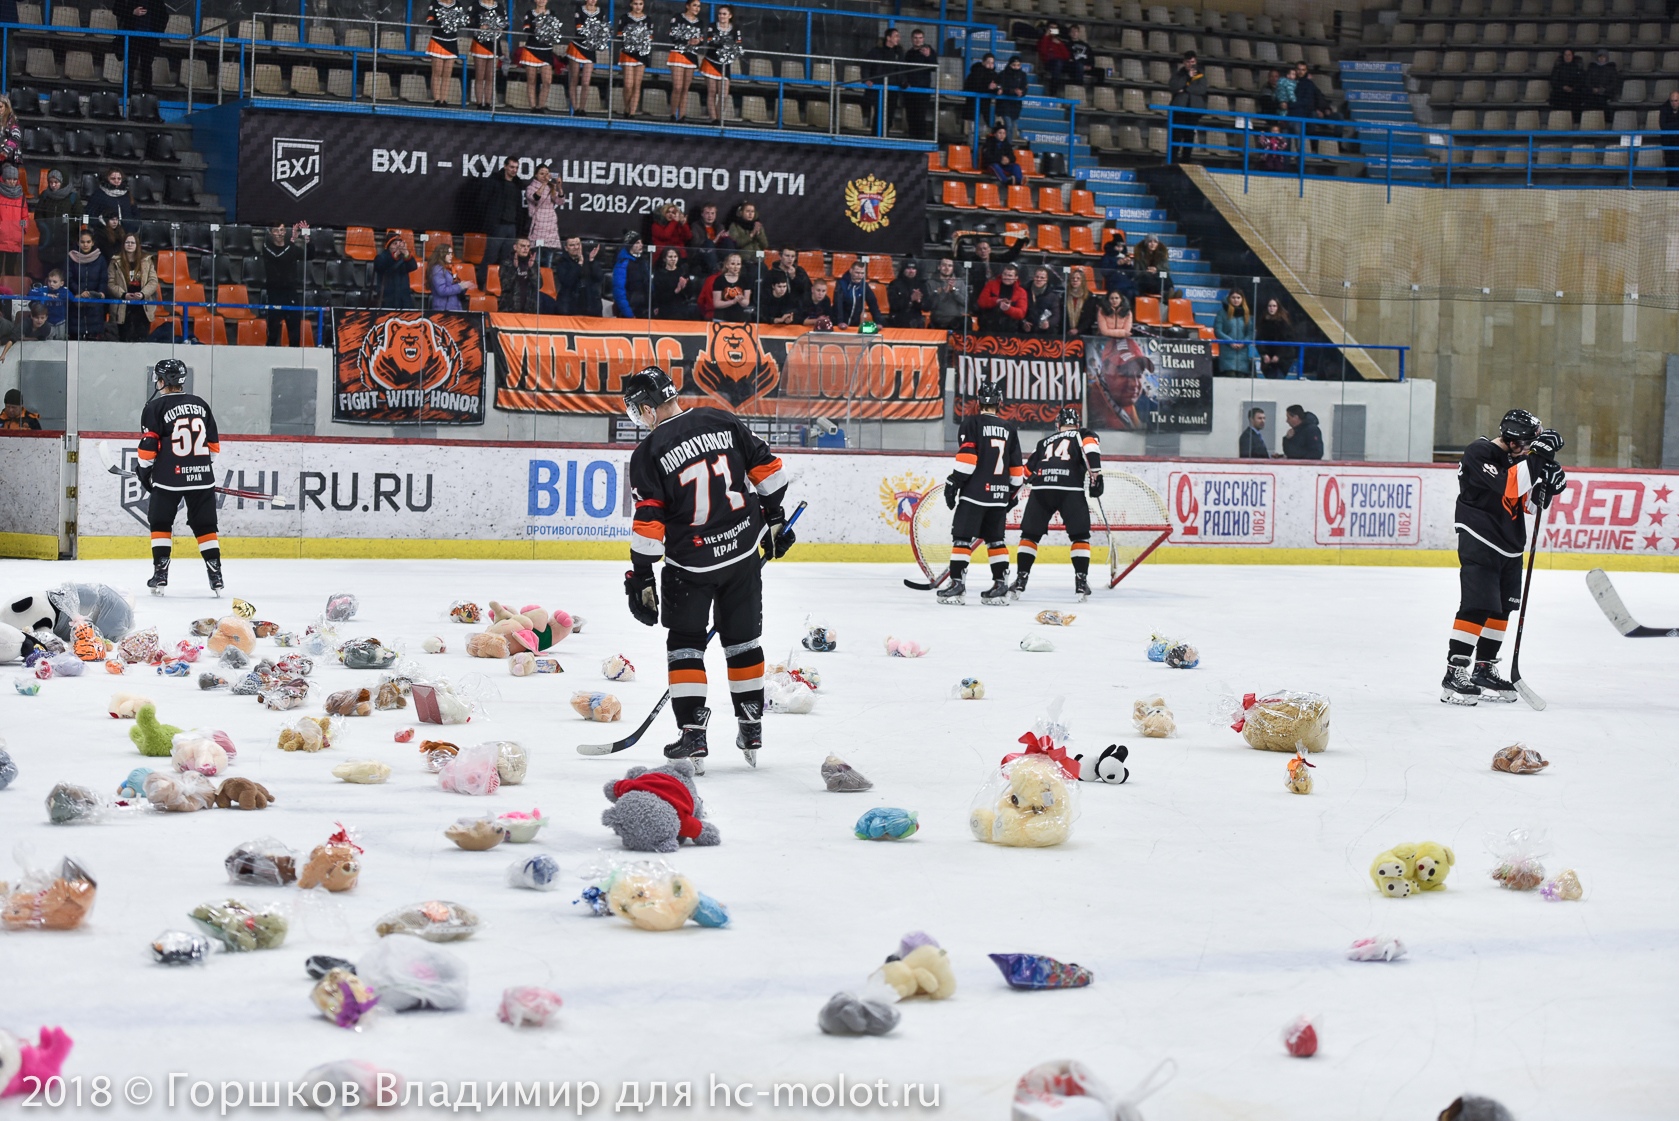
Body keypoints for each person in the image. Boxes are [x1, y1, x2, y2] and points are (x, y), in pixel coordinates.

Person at [622, 365, 794, 769]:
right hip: (742, 556)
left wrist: (642, 574)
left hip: (690, 566)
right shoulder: (721, 417)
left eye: (636, 408)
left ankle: (692, 734)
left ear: (648, 408)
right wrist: (774, 519)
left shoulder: (647, 453)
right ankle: (751, 723)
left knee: (685, 643)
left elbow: (649, 525)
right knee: (743, 642)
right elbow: (772, 476)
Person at [1443, 411, 1566, 705]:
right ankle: (1454, 671)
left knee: (1502, 609)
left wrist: (1548, 486)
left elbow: (1529, 505)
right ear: (1510, 440)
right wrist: (1539, 457)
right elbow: (1510, 485)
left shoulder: (1520, 461)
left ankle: (1484, 668)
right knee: (1477, 605)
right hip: (1479, 537)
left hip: (1510, 543)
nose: (1528, 449)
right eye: (1525, 444)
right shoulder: (1480, 452)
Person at [137, 358, 224, 595]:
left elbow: (148, 448)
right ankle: (216, 576)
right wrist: (196, 468)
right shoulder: (201, 404)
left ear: (162, 380)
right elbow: (214, 449)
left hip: (168, 480)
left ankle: (160, 574)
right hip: (203, 478)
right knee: (206, 526)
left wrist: (144, 471)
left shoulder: (154, 408)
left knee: (160, 522)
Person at [937, 378, 1022, 606]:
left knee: (962, 539)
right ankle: (1001, 585)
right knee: (996, 541)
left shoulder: (971, 424)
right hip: (998, 496)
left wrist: (953, 481)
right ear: (1000, 402)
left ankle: (957, 585)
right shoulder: (1010, 429)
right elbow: (1017, 474)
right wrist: (1010, 496)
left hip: (974, 494)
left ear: (979, 400)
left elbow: (967, 460)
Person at [1013, 404, 1102, 601]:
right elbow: (1091, 449)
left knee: (1029, 536)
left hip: (1042, 489)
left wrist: (1012, 494)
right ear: (1077, 423)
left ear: (1058, 424)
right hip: (1070, 489)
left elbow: (1026, 473)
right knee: (1080, 537)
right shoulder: (1082, 435)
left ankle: (1020, 580)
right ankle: (1080, 583)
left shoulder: (1044, 442)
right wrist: (1096, 475)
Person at [1086, 306, 1156, 430]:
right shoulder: (1092, 404)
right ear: (1106, 372)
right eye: (1125, 374)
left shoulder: (1141, 404)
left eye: (1139, 375)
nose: (1133, 384)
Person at [477, 155, 526, 289]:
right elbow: (483, 201)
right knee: (490, 257)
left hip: (512, 226)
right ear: (505, 166)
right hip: (497, 225)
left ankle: (503, 285)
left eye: (516, 168)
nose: (514, 170)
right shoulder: (494, 181)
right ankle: (482, 283)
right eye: (511, 167)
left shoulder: (518, 184)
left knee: (507, 259)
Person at [261, 222, 307, 346]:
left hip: (291, 293)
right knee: (273, 333)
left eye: (282, 230)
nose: (280, 233)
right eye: (276, 230)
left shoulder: (290, 248)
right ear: (271, 233)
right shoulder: (267, 247)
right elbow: (279, 256)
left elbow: (310, 255)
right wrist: (292, 241)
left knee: (295, 334)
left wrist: (307, 239)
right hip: (275, 294)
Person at [106, 232, 157, 342]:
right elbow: (111, 283)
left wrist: (143, 294)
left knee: (141, 338)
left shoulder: (147, 260)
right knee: (124, 338)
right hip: (123, 305)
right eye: (127, 242)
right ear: (123, 244)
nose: (130, 245)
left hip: (142, 305)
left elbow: (153, 281)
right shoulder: (115, 261)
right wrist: (124, 295)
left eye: (132, 242)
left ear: (137, 245)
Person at [699, 4, 742, 125]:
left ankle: (719, 117)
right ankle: (714, 119)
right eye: (720, 14)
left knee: (724, 94)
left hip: (725, 64)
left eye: (724, 14)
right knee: (712, 92)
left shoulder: (735, 28)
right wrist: (723, 43)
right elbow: (710, 41)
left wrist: (731, 47)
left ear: (730, 15)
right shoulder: (713, 26)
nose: (721, 16)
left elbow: (738, 43)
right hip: (711, 62)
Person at [516, 0, 563, 110]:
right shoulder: (529, 13)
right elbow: (526, 29)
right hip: (531, 50)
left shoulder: (552, 13)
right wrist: (538, 28)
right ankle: (533, 107)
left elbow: (556, 30)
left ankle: (541, 106)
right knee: (531, 81)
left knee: (547, 82)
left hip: (546, 51)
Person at [566, 0, 610, 114]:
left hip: (590, 50)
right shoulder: (579, 9)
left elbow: (601, 30)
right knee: (574, 79)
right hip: (577, 47)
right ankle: (575, 108)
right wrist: (593, 32)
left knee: (586, 81)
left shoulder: (601, 12)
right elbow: (579, 29)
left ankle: (582, 108)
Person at [32, 169, 79, 273]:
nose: (53, 185)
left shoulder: (72, 197)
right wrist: (43, 227)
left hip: (65, 240)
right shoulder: (45, 196)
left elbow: (79, 217)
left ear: (62, 182)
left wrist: (68, 228)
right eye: (51, 182)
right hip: (48, 239)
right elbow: (38, 214)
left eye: (56, 182)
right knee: (47, 271)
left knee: (64, 271)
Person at [114, 0, 167, 94]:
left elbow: (164, 15)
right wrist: (132, 12)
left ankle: (147, 92)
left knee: (146, 65)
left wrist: (158, 33)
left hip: (150, 38)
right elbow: (116, 9)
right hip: (131, 36)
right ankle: (127, 91)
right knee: (130, 64)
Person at [666, 0, 706, 122]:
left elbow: (702, 38)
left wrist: (698, 41)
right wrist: (687, 41)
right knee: (677, 87)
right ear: (687, 6)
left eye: (699, 6)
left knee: (685, 88)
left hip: (691, 56)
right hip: (678, 53)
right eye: (694, 5)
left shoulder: (700, 22)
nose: (697, 8)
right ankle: (673, 114)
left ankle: (682, 115)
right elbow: (672, 34)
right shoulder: (677, 17)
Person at [427, 0, 472, 105]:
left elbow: (463, 21)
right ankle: (437, 99)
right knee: (437, 72)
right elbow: (429, 20)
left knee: (447, 74)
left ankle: (444, 99)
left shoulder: (457, 4)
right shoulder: (435, 3)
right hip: (437, 41)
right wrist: (442, 22)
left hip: (451, 43)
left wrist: (456, 22)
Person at [66, 228, 107, 339]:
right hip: (76, 302)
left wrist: (99, 293)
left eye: (88, 242)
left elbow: (103, 279)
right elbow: (69, 279)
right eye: (82, 242)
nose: (85, 245)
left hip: (94, 304)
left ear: (92, 242)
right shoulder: (71, 258)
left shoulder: (100, 259)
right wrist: (80, 292)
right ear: (78, 242)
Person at [615, 0, 653, 116]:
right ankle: (626, 108)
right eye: (635, 4)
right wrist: (631, 37)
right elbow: (619, 34)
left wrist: (642, 39)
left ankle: (632, 112)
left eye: (640, 4)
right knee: (628, 85)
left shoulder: (648, 20)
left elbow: (650, 37)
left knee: (637, 84)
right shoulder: (624, 17)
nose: (638, 6)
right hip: (627, 53)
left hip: (641, 54)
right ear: (631, 4)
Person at [469, 0, 509, 108]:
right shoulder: (476, 5)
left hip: (494, 45)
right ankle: (479, 103)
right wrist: (480, 26)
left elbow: (506, 24)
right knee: (480, 76)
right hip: (480, 44)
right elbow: (468, 21)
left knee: (490, 76)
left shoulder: (500, 7)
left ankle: (487, 103)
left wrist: (501, 27)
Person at [1169, 50, 1207, 162]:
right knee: (1176, 136)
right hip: (1179, 110)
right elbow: (1173, 86)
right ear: (1184, 62)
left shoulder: (1200, 75)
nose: (1191, 64)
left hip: (1193, 112)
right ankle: (1172, 160)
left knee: (1189, 136)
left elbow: (1202, 89)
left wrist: (1185, 89)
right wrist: (1187, 79)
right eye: (1188, 62)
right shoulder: (1178, 74)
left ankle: (1186, 160)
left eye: (1193, 61)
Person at [865, 27, 903, 135]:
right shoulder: (876, 51)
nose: (898, 38)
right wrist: (867, 79)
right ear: (888, 38)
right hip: (879, 89)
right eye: (896, 36)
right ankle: (875, 137)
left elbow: (901, 69)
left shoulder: (898, 53)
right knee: (879, 114)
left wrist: (902, 81)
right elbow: (866, 65)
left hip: (893, 89)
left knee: (889, 115)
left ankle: (885, 136)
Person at [901, 29, 938, 139]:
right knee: (911, 116)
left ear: (924, 39)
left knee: (920, 116)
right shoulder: (908, 54)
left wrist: (928, 56)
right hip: (910, 90)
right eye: (916, 38)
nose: (918, 40)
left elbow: (934, 67)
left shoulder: (929, 51)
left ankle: (921, 141)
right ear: (912, 39)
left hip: (923, 90)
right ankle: (912, 139)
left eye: (920, 38)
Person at [555, 235, 604, 315]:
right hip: (570, 303)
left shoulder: (588, 258)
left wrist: (592, 261)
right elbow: (567, 282)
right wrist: (579, 264)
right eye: (572, 245)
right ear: (566, 248)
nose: (576, 247)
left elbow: (599, 278)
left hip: (589, 302)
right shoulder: (561, 262)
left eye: (578, 244)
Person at [699, 252, 752, 322]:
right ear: (727, 265)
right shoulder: (719, 280)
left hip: (739, 318)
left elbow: (746, 303)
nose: (736, 267)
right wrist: (733, 301)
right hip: (721, 318)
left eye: (738, 264)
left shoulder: (745, 280)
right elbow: (716, 303)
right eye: (733, 264)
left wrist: (740, 300)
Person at [977, 263, 1028, 334]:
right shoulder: (991, 285)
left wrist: (1008, 309)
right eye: (1005, 274)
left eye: (1010, 275)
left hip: (1010, 330)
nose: (1006, 277)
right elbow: (981, 302)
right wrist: (997, 301)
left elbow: (1021, 313)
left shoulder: (1021, 292)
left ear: (1016, 277)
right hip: (988, 327)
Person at [1213, 290, 1254, 375]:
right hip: (1226, 356)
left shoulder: (1247, 314)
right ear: (1229, 299)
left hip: (1243, 359)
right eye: (1233, 297)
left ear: (1242, 299)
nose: (1236, 300)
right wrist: (1230, 341)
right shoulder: (1222, 313)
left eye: (1238, 298)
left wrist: (1243, 342)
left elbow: (1250, 333)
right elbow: (1218, 331)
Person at [525, 166, 562, 261]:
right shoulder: (531, 187)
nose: (545, 176)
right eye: (542, 174)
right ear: (535, 175)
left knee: (547, 260)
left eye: (547, 174)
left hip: (550, 227)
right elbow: (535, 198)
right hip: (538, 226)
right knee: (535, 259)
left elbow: (560, 201)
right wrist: (545, 183)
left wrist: (559, 187)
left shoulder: (551, 187)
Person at [371, 234, 418, 309]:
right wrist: (395, 255)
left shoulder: (404, 257)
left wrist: (406, 253)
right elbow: (380, 266)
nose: (398, 246)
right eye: (394, 244)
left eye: (399, 243)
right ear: (388, 246)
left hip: (404, 299)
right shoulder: (381, 257)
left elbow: (413, 266)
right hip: (387, 299)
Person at [0, 163, 27, 289]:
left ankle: (8, 298)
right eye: (9, 179)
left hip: (15, 237)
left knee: (11, 270)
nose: (12, 181)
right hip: (1, 235)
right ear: (4, 179)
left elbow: (24, 215)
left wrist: (23, 229)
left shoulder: (21, 196)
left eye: (14, 179)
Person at [500, 237, 543, 313]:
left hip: (529, 306)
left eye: (528, 246)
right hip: (510, 306)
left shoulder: (532, 263)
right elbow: (505, 285)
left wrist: (531, 269)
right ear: (515, 247)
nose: (526, 248)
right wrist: (514, 268)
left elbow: (539, 285)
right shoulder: (507, 263)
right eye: (523, 246)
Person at [612, 231, 649, 318]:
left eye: (641, 242)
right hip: (630, 311)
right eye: (637, 243)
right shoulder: (623, 263)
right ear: (630, 245)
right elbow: (619, 291)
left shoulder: (643, 262)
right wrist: (629, 314)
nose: (641, 245)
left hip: (644, 310)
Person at [649, 247, 695, 318]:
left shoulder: (683, 272)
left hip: (681, 309)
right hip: (665, 309)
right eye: (670, 257)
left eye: (675, 256)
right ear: (664, 259)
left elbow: (690, 294)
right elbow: (659, 296)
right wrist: (676, 290)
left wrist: (685, 286)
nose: (673, 259)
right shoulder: (660, 274)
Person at [832, 260, 880, 328]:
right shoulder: (841, 284)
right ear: (851, 270)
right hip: (839, 324)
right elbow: (838, 304)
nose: (860, 276)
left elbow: (873, 304)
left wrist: (878, 321)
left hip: (855, 324)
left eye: (862, 273)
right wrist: (840, 322)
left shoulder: (864, 286)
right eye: (857, 273)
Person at [926, 257, 968, 330]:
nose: (947, 268)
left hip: (956, 321)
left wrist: (954, 291)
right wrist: (941, 293)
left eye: (950, 266)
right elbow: (930, 305)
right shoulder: (931, 283)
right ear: (939, 267)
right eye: (944, 265)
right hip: (937, 321)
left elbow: (966, 302)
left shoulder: (959, 282)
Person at [1257, 298, 1295, 377]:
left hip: (1282, 360)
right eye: (1270, 306)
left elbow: (1288, 341)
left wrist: (1278, 356)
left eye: (1274, 306)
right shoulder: (1263, 322)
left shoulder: (1284, 323)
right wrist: (1264, 354)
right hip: (1267, 360)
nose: (1272, 308)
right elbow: (1259, 339)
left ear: (1278, 307)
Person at [886, 258, 928, 328]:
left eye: (913, 268)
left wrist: (920, 301)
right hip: (898, 320)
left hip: (916, 321)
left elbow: (927, 307)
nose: (911, 271)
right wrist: (910, 299)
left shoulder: (921, 285)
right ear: (903, 270)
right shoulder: (895, 284)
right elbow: (894, 305)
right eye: (908, 268)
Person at [427, 242, 468, 312]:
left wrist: (462, 287)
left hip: (453, 306)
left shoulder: (450, 268)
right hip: (443, 308)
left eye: (451, 253)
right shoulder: (437, 269)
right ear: (442, 254)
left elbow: (452, 285)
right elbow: (442, 290)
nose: (451, 256)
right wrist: (460, 286)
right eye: (448, 254)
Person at [964, 53, 1002, 129]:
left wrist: (997, 89)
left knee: (983, 128)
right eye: (988, 62)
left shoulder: (994, 74)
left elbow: (999, 84)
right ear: (983, 62)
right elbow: (973, 86)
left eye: (992, 63)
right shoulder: (976, 73)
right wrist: (988, 87)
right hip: (973, 104)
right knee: (973, 129)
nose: (990, 65)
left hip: (985, 106)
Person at [1023, 265, 1062, 335]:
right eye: (1037, 277)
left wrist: (1049, 323)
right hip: (1024, 333)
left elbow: (1056, 316)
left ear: (1046, 280)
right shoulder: (1024, 291)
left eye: (1042, 278)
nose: (1039, 279)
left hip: (1044, 334)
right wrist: (1023, 322)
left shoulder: (1052, 296)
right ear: (1033, 277)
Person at [1549, 48, 1585, 124]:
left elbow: (1582, 81)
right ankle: (1560, 123)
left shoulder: (1578, 67)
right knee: (1558, 100)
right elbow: (1553, 81)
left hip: (1575, 92)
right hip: (1560, 91)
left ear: (1572, 56)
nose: (1567, 57)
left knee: (1577, 101)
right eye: (1565, 55)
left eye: (1569, 55)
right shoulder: (1558, 68)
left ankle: (1576, 123)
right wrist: (1562, 87)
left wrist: (1573, 88)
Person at [687, 202, 723, 275]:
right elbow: (695, 242)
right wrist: (714, 241)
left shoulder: (720, 227)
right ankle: (714, 271)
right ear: (702, 214)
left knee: (727, 241)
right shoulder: (696, 226)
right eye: (707, 213)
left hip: (717, 254)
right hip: (700, 254)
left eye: (712, 213)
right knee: (708, 243)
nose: (710, 216)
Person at [1037, 22, 1072, 97]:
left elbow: (1067, 56)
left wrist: (1059, 44)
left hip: (1062, 64)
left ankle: (1076, 90)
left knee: (1078, 65)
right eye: (1051, 28)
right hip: (1049, 64)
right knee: (1058, 63)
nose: (1053, 29)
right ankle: (1053, 92)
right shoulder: (1043, 40)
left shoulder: (1059, 41)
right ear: (1047, 29)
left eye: (1055, 28)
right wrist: (1046, 36)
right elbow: (1043, 52)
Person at [997, 57, 1029, 136]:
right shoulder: (1003, 74)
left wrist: (1021, 92)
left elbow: (1025, 87)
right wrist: (1013, 91)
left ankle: (1008, 145)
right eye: (1014, 65)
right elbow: (1001, 88)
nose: (1016, 67)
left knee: (1012, 127)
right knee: (1009, 126)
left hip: (1016, 105)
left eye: (1018, 65)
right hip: (1004, 104)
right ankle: (1007, 146)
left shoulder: (1023, 75)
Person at [1098, 233, 1135, 298]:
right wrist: (1116, 264)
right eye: (1118, 246)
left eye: (1121, 247)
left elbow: (1132, 275)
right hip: (1113, 283)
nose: (1120, 249)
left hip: (1127, 284)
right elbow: (1104, 271)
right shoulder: (1107, 256)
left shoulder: (1125, 257)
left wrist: (1129, 265)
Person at [1133, 233, 1170, 298]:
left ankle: (1169, 293)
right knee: (1148, 277)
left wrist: (1157, 270)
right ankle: (1166, 295)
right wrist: (1147, 272)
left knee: (1166, 278)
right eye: (1150, 242)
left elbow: (1166, 271)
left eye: (1155, 242)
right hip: (1144, 279)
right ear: (1146, 243)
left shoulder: (1162, 255)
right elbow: (1137, 273)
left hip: (1157, 277)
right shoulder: (1139, 255)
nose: (1153, 244)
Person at [1583, 51, 1617, 118]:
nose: (1601, 58)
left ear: (1606, 58)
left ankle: (1605, 120)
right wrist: (1592, 88)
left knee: (1602, 101)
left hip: (1606, 93)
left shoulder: (1611, 69)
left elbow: (1614, 82)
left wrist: (1605, 89)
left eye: (1603, 57)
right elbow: (1587, 81)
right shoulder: (1592, 68)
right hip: (1593, 92)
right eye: (1600, 57)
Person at [1065, 24, 1091, 89]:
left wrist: (1090, 65)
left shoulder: (1086, 45)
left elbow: (1091, 56)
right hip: (1074, 65)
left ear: (1079, 33)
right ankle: (1079, 88)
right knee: (1079, 66)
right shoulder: (1067, 45)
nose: (1074, 33)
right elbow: (1069, 57)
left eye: (1076, 31)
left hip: (1085, 65)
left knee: (1101, 71)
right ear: (1069, 33)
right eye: (1072, 32)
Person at [1662, 89, 1679, 188]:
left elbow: (1667, 125)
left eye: (1676, 101)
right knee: (1670, 164)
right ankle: (1671, 186)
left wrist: (1671, 125)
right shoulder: (1664, 108)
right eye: (1672, 101)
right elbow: (1663, 126)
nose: (1674, 103)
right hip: (1668, 143)